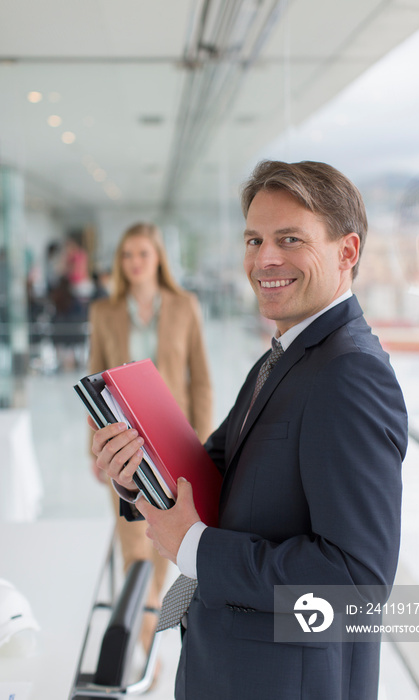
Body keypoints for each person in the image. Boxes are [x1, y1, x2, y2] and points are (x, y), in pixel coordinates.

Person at [89, 162, 408, 700]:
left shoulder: (349, 373)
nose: (264, 260)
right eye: (254, 239)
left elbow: (356, 588)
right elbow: (215, 471)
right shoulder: (282, 356)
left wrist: (195, 547)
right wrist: (135, 472)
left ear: (346, 252)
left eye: (290, 239)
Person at [88, 222, 213, 654]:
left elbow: (201, 381)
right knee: (133, 535)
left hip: (173, 441)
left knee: (170, 534)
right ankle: (143, 639)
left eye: (142, 254)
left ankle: (153, 626)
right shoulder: (104, 312)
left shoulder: (184, 306)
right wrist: (97, 449)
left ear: (158, 258)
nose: (134, 263)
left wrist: (202, 441)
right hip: (122, 444)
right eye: (127, 256)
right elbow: (95, 382)